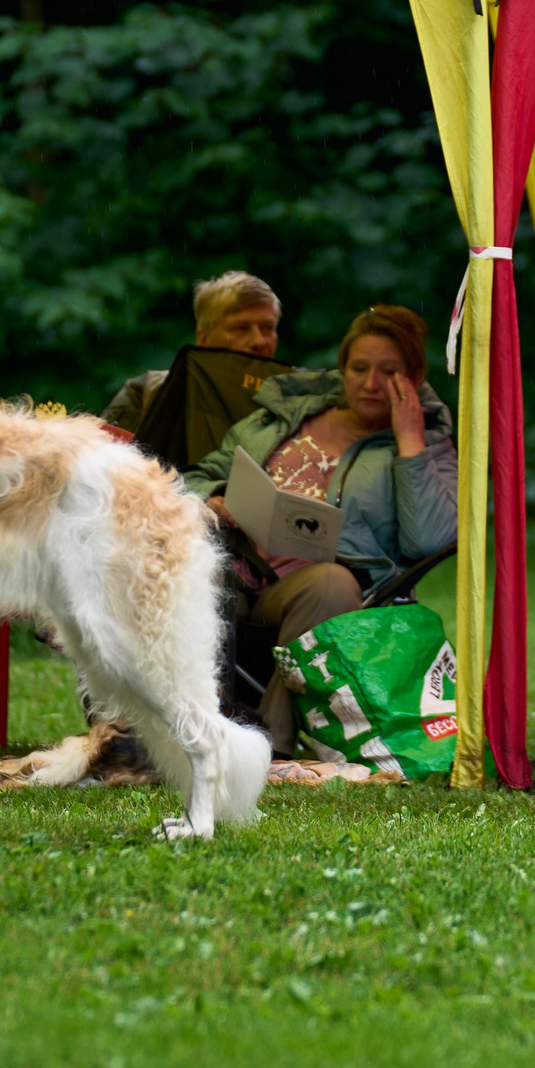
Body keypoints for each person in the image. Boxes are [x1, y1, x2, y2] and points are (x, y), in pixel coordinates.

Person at [182, 306, 458, 747]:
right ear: (342, 369)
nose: (370, 384)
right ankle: (170, 730)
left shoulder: (428, 446)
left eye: (388, 372)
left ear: (414, 377)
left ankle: (266, 745)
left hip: (314, 589)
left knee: (328, 583)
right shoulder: (283, 418)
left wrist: (410, 442)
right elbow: (195, 475)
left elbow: (430, 540)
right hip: (236, 565)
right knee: (177, 566)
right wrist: (213, 498)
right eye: (359, 368)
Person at [103, 271, 284, 434]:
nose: (259, 341)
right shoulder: (148, 395)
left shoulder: (296, 410)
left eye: (267, 328)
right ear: (204, 339)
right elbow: (102, 462)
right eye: (241, 328)